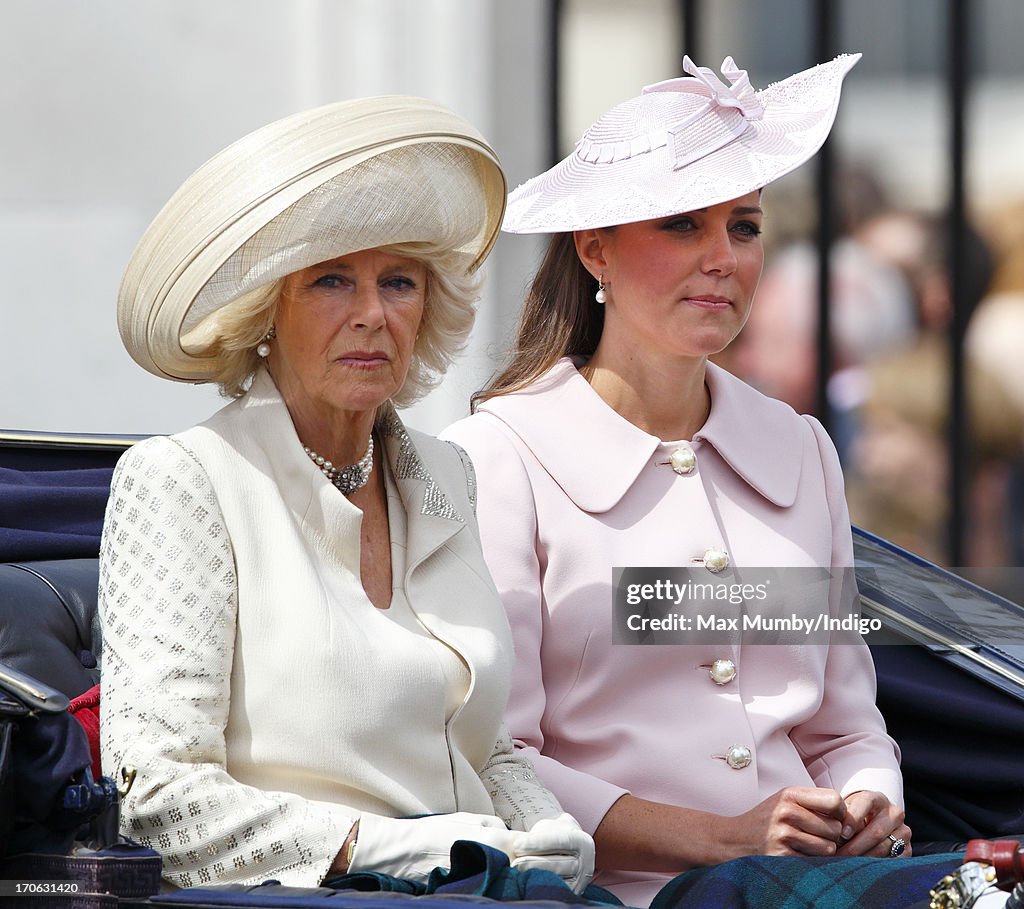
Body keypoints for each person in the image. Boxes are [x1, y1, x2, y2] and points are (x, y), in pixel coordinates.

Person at [443, 55, 908, 908]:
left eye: (745, 226)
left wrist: (868, 803)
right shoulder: (494, 456)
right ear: (596, 251)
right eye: (683, 225)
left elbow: (845, 725)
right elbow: (491, 754)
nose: (723, 258)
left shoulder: (800, 448)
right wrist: (718, 838)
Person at [99, 96, 594, 893]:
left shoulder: (445, 475)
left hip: (485, 883)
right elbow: (159, 800)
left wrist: (547, 828)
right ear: (265, 310)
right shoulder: (183, 478)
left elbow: (482, 743)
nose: (372, 314)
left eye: (398, 282)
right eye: (333, 281)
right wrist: (385, 846)